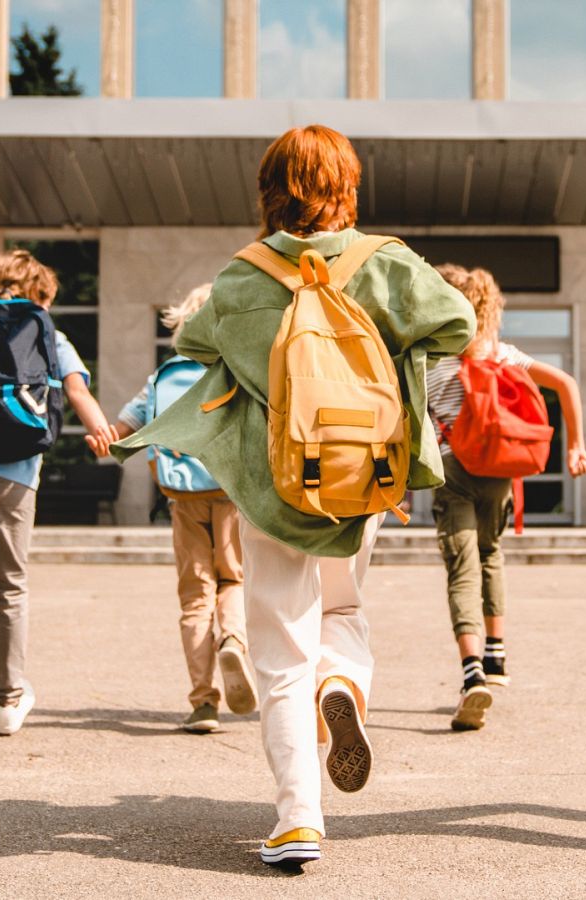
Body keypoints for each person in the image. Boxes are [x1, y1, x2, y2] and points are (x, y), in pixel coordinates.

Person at [111, 124, 474, 868]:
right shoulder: (388, 263)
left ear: (269, 190)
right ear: (348, 186)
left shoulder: (242, 278)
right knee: (343, 608)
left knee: (279, 648)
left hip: (276, 483)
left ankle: (299, 816)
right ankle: (340, 682)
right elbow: (458, 324)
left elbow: (192, 348)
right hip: (364, 477)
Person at [0, 249, 115, 746]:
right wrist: (101, 434)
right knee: (9, 584)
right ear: (39, 294)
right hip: (16, 473)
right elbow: (76, 393)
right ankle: (8, 700)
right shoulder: (51, 334)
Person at [427, 264, 586, 732]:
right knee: (491, 553)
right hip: (499, 470)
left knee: (462, 567)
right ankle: (497, 656)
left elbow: (410, 421)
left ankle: (471, 670)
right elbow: (567, 384)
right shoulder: (501, 353)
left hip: (454, 468)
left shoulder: (431, 360)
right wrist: (576, 446)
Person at [87, 284, 255, 735]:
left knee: (195, 597)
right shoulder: (237, 370)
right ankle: (234, 639)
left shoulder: (165, 375)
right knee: (233, 579)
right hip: (231, 491)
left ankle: (203, 702)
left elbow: (122, 430)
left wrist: (102, 436)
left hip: (182, 497)